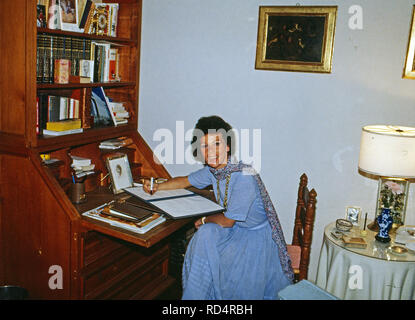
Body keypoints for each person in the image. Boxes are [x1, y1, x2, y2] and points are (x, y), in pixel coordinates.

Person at [143, 115, 293, 299]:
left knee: (206, 233)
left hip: (256, 239)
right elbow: (184, 181)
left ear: (227, 146)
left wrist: (204, 219)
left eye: (217, 144)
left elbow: (228, 221)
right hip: (237, 229)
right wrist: (157, 187)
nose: (211, 151)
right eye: (205, 146)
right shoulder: (214, 171)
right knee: (205, 235)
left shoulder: (243, 175)